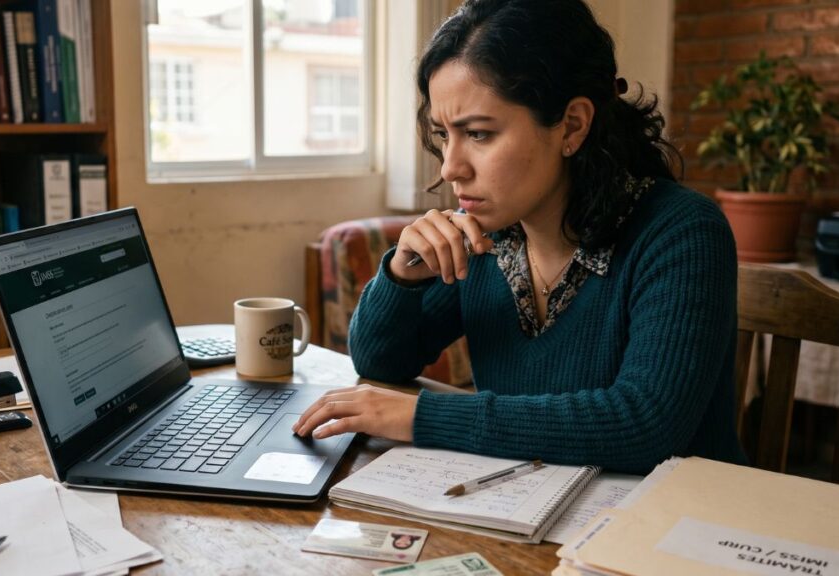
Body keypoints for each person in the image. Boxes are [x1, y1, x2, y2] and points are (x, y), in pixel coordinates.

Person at [293, 0, 747, 475]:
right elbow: (381, 362)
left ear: (572, 125)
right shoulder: (485, 237)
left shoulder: (681, 230)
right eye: (444, 135)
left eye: (480, 134)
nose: (450, 167)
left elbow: (645, 425)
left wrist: (422, 417)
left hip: (668, 528)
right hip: (528, 507)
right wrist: (401, 274)